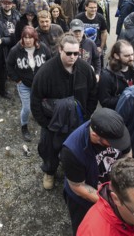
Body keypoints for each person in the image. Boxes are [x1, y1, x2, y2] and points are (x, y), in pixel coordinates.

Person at [31, 34, 97, 190]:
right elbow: (35, 100)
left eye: (76, 53)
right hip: (53, 123)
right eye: (69, 53)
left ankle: (72, 169)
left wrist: (87, 115)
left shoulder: (85, 69)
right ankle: (49, 171)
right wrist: (46, 124)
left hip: (78, 121)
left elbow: (93, 93)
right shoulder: (45, 72)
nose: (73, 57)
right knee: (48, 148)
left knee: (77, 148)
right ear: (60, 49)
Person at [62, 108, 132, 234]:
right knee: (85, 228)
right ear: (95, 135)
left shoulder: (116, 130)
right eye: (112, 143)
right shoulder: (72, 151)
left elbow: (127, 153)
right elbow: (78, 186)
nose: (117, 145)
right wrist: (109, 203)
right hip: (84, 199)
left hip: (111, 186)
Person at [6, 26, 51, 142]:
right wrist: (17, 79)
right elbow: (9, 65)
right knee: (26, 108)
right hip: (24, 85)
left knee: (41, 104)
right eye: (25, 37)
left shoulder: (43, 48)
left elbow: (50, 62)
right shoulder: (15, 50)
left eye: (30, 37)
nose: (27, 40)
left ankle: (39, 119)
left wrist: (47, 78)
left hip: (40, 85)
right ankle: (24, 126)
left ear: (35, 38)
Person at [97, 40, 134, 110]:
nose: (131, 58)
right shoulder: (106, 76)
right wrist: (127, 97)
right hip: (118, 112)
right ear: (116, 56)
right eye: (127, 56)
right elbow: (105, 101)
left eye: (132, 54)